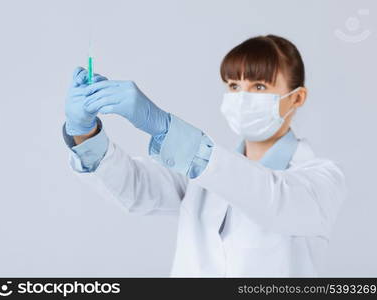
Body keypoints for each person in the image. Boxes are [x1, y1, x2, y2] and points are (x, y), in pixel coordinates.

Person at [62, 34, 346, 277]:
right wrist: (84, 133)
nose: (242, 97)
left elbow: (272, 198)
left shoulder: (319, 180)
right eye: (234, 86)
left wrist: (165, 128)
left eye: (259, 86)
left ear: (296, 98)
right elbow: (134, 188)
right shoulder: (203, 175)